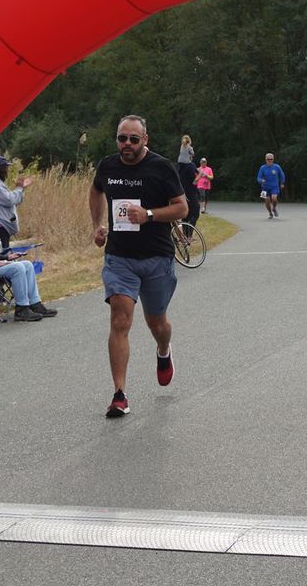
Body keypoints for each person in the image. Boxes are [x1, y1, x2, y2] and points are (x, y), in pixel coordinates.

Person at [90, 115, 187, 418]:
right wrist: (97, 225)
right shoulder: (107, 166)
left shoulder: (161, 167)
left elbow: (182, 207)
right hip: (120, 258)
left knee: (157, 324)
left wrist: (148, 215)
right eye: (122, 138)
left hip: (156, 257)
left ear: (145, 139)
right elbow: (96, 191)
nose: (127, 144)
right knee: (120, 320)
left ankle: (163, 351)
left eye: (134, 139)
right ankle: (119, 394)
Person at [0, 156, 33, 252]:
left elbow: (12, 201)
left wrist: (21, 189)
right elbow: (9, 200)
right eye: (5, 168)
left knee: (3, 253)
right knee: (2, 254)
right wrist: (19, 188)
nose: (7, 171)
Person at [257, 152, 286, 219]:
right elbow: (258, 177)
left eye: (271, 159)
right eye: (268, 159)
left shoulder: (277, 167)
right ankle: (270, 213)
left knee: (274, 198)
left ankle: (274, 208)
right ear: (265, 159)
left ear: (273, 159)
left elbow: (282, 175)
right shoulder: (262, 168)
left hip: (274, 186)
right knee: (267, 201)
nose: (269, 160)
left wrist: (282, 183)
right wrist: (261, 180)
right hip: (264, 188)